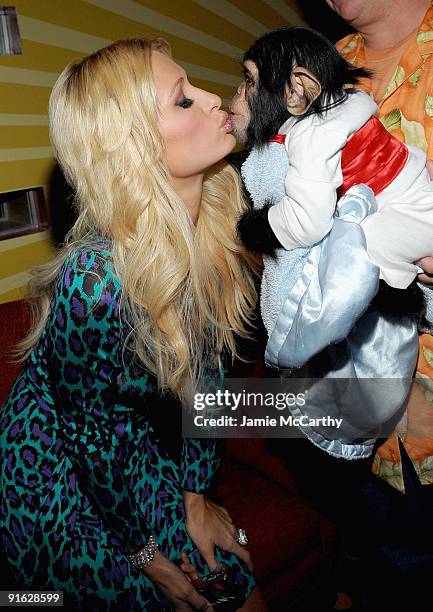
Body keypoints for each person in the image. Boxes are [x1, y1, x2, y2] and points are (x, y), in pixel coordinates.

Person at [0, 37, 268, 611]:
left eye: (192, 86)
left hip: (135, 442)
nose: (213, 98)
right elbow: (89, 439)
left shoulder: (221, 217)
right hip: (58, 470)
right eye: (182, 101)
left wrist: (196, 492)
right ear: (135, 147)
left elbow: (210, 369)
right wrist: (147, 557)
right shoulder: (93, 282)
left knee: (231, 587)